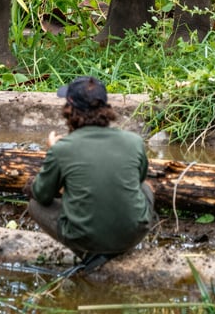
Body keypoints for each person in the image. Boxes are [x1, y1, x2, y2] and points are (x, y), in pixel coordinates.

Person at [28, 75, 156, 261]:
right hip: (132, 236)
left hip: (85, 239)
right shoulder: (134, 141)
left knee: (35, 205)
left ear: (70, 110)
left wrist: (53, 151)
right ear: (105, 109)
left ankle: (89, 253)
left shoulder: (62, 149)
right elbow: (139, 179)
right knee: (145, 187)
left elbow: (42, 194)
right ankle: (119, 245)